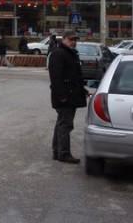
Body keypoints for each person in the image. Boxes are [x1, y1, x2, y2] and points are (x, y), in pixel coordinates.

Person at [48, 30, 88, 164]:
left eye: (75, 40)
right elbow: (56, 78)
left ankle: (57, 152)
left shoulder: (70, 53)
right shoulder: (58, 54)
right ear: (64, 39)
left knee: (61, 124)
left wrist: (83, 90)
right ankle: (63, 153)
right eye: (71, 39)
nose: (74, 42)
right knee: (65, 125)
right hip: (65, 96)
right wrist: (62, 96)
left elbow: (74, 77)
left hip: (70, 95)